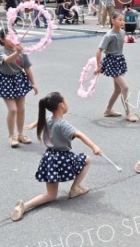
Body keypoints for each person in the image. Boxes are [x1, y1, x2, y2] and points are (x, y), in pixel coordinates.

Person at [11, 92, 102, 221]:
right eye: (66, 100)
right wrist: (94, 147)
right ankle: (75, 188)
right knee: (87, 159)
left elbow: (41, 120)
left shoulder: (49, 119)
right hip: (63, 159)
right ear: (61, 105)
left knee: (50, 195)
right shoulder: (62, 124)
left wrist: (34, 124)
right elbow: (79, 134)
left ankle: (24, 206)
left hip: (49, 158)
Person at [0, 29, 38, 147]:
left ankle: (20, 135)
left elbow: (27, 68)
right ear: (2, 39)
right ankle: (11, 136)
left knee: (21, 109)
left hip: (19, 80)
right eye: (9, 36)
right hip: (5, 81)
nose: (13, 38)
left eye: (14, 35)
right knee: (13, 110)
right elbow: (7, 60)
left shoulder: (21, 52)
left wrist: (34, 83)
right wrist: (17, 52)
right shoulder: (0, 50)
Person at [94, 12, 138, 122]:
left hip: (119, 60)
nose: (122, 22)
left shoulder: (122, 32)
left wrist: (130, 40)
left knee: (118, 89)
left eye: (123, 20)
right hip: (112, 62)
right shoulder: (109, 35)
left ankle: (108, 110)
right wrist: (98, 66)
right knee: (125, 87)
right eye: (120, 19)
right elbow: (99, 51)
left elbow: (120, 42)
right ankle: (128, 113)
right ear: (112, 20)